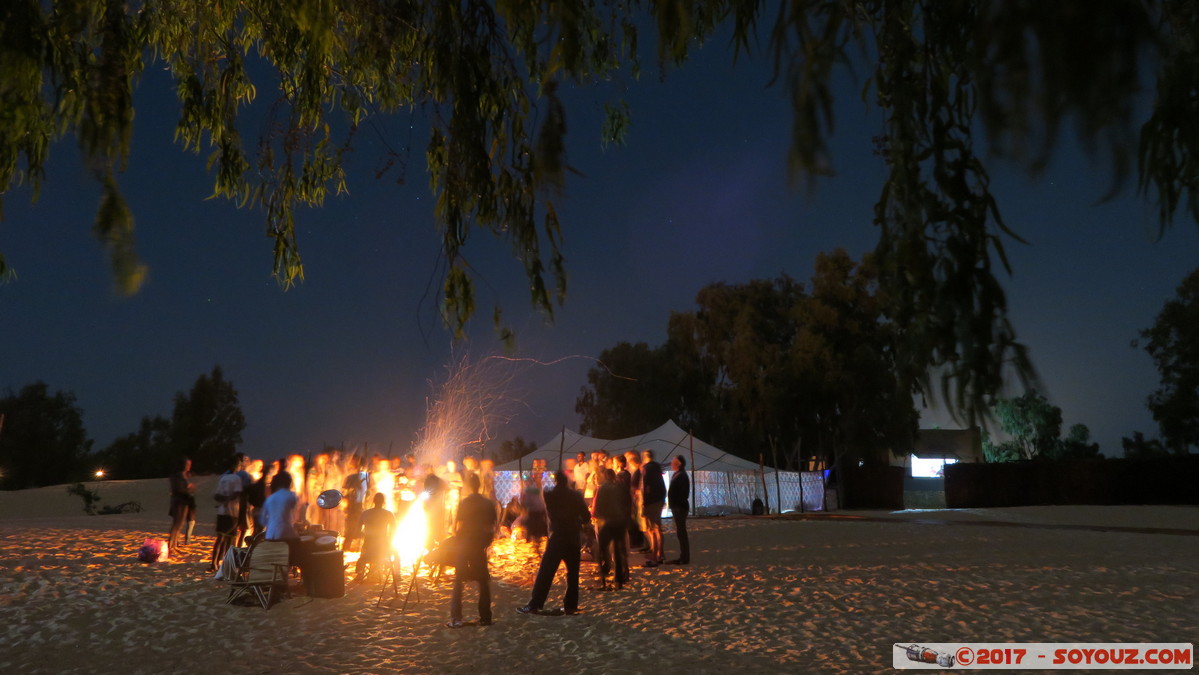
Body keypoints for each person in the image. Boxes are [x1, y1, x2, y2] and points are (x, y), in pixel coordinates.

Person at [518, 472, 590, 616]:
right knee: (573, 573)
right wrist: (578, 522)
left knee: (546, 571)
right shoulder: (575, 496)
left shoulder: (550, 495)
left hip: (558, 536)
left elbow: (546, 502)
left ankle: (535, 604)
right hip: (572, 535)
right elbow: (586, 516)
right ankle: (570, 605)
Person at [447, 473, 497, 628]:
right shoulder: (487, 504)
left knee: (459, 580)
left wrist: (458, 538)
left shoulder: (465, 502)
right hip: (479, 544)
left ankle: (456, 618)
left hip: (465, 543)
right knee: (483, 581)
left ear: (469, 486)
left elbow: (456, 525)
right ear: (479, 486)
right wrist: (487, 542)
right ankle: (485, 617)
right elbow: (492, 526)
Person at [593, 468, 631, 589]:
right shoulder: (621, 487)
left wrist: (600, 515)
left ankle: (605, 575)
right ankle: (620, 578)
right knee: (619, 549)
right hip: (620, 520)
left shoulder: (604, 488)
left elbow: (599, 505)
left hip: (610, 521)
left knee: (602, 547)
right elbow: (628, 502)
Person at [209, 457, 244, 572]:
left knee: (220, 538)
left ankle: (214, 563)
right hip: (232, 512)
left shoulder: (222, 478)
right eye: (239, 464)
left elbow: (216, 496)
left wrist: (223, 500)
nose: (240, 466)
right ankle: (227, 564)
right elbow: (237, 493)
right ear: (235, 466)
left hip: (221, 511)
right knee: (230, 538)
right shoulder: (236, 478)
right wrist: (228, 499)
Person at [354, 493, 394, 582]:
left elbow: (358, 530)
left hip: (368, 546)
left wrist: (364, 534)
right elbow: (394, 529)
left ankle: (360, 574)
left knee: (363, 556)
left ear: (374, 501)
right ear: (383, 502)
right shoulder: (388, 514)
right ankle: (396, 574)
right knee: (395, 553)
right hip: (382, 547)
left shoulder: (365, 513)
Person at [640, 449, 666, 567]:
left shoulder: (647, 469)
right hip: (659, 499)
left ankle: (655, 555)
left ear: (645, 457)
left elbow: (646, 487)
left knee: (652, 529)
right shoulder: (657, 467)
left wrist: (644, 502)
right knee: (658, 529)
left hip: (651, 501)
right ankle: (661, 553)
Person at [167, 458, 196, 552]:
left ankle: (174, 544)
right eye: (187, 464)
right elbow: (177, 489)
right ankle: (171, 544)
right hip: (179, 501)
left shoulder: (187, 475)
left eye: (189, 464)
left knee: (180, 524)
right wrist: (187, 488)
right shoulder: (177, 476)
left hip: (185, 501)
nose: (189, 466)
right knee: (176, 523)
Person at [666, 455, 690, 565]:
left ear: (679, 464)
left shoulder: (682, 476)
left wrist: (678, 505)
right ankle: (683, 556)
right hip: (677, 506)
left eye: (673, 462)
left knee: (682, 532)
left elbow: (683, 493)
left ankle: (684, 557)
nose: (671, 464)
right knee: (680, 532)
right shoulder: (678, 475)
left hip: (680, 507)